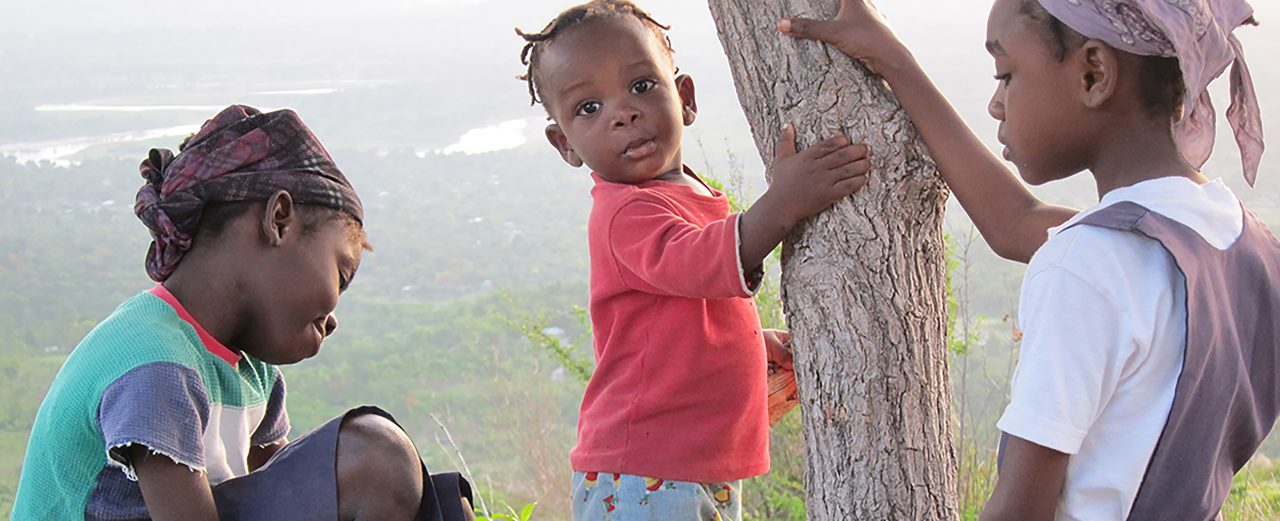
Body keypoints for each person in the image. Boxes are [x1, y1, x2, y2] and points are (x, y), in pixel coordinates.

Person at [780, 0, 1272, 519]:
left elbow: (1020, 511)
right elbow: (1015, 221)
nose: (995, 103)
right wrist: (894, 61)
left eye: (1006, 74)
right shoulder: (1242, 241)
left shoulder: (1088, 264)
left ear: (1093, 73)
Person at [11, 105, 473, 521]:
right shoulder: (153, 361)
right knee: (375, 459)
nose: (333, 318)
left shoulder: (251, 370)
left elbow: (298, 493)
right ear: (279, 221)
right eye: (341, 275)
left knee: (441, 504)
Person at [516, 1, 873, 519]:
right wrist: (786, 202)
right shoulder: (624, 213)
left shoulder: (687, 194)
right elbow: (699, 262)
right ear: (564, 144)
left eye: (641, 86)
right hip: (642, 473)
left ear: (684, 98)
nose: (623, 112)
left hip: (691, 467)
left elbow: (687, 306)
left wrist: (752, 342)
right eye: (588, 108)